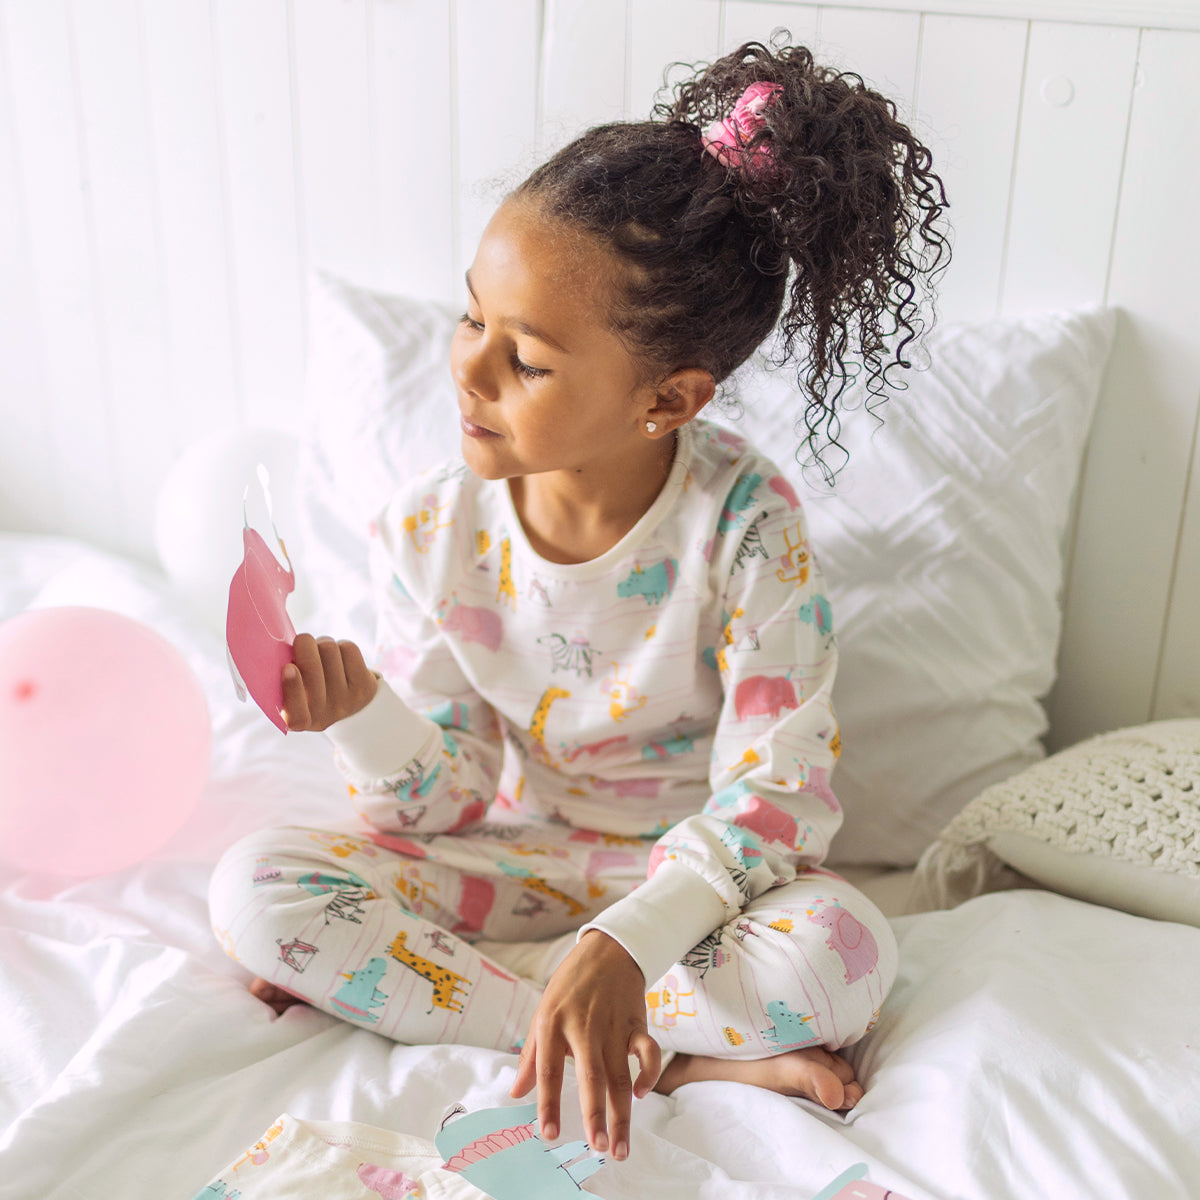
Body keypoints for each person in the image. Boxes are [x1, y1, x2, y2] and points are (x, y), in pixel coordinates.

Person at [208, 37, 949, 1166]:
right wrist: (362, 712)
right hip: (523, 858)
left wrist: (629, 945)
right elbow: (439, 806)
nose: (468, 371)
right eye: (471, 321)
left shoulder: (746, 524)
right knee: (256, 888)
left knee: (840, 954)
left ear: (668, 398)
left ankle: (578, 1004)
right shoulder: (430, 526)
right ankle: (632, 1045)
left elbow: (778, 796)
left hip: (695, 893)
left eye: (529, 360)